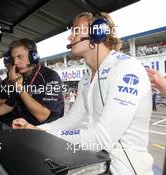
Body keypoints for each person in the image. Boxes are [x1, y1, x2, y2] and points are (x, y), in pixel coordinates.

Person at [12, 12, 154, 175]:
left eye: (76, 31)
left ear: (97, 32)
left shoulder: (126, 68)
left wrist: (44, 134)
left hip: (127, 169)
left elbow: (101, 137)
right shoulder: (86, 77)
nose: (70, 37)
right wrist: (35, 130)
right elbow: (71, 120)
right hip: (100, 163)